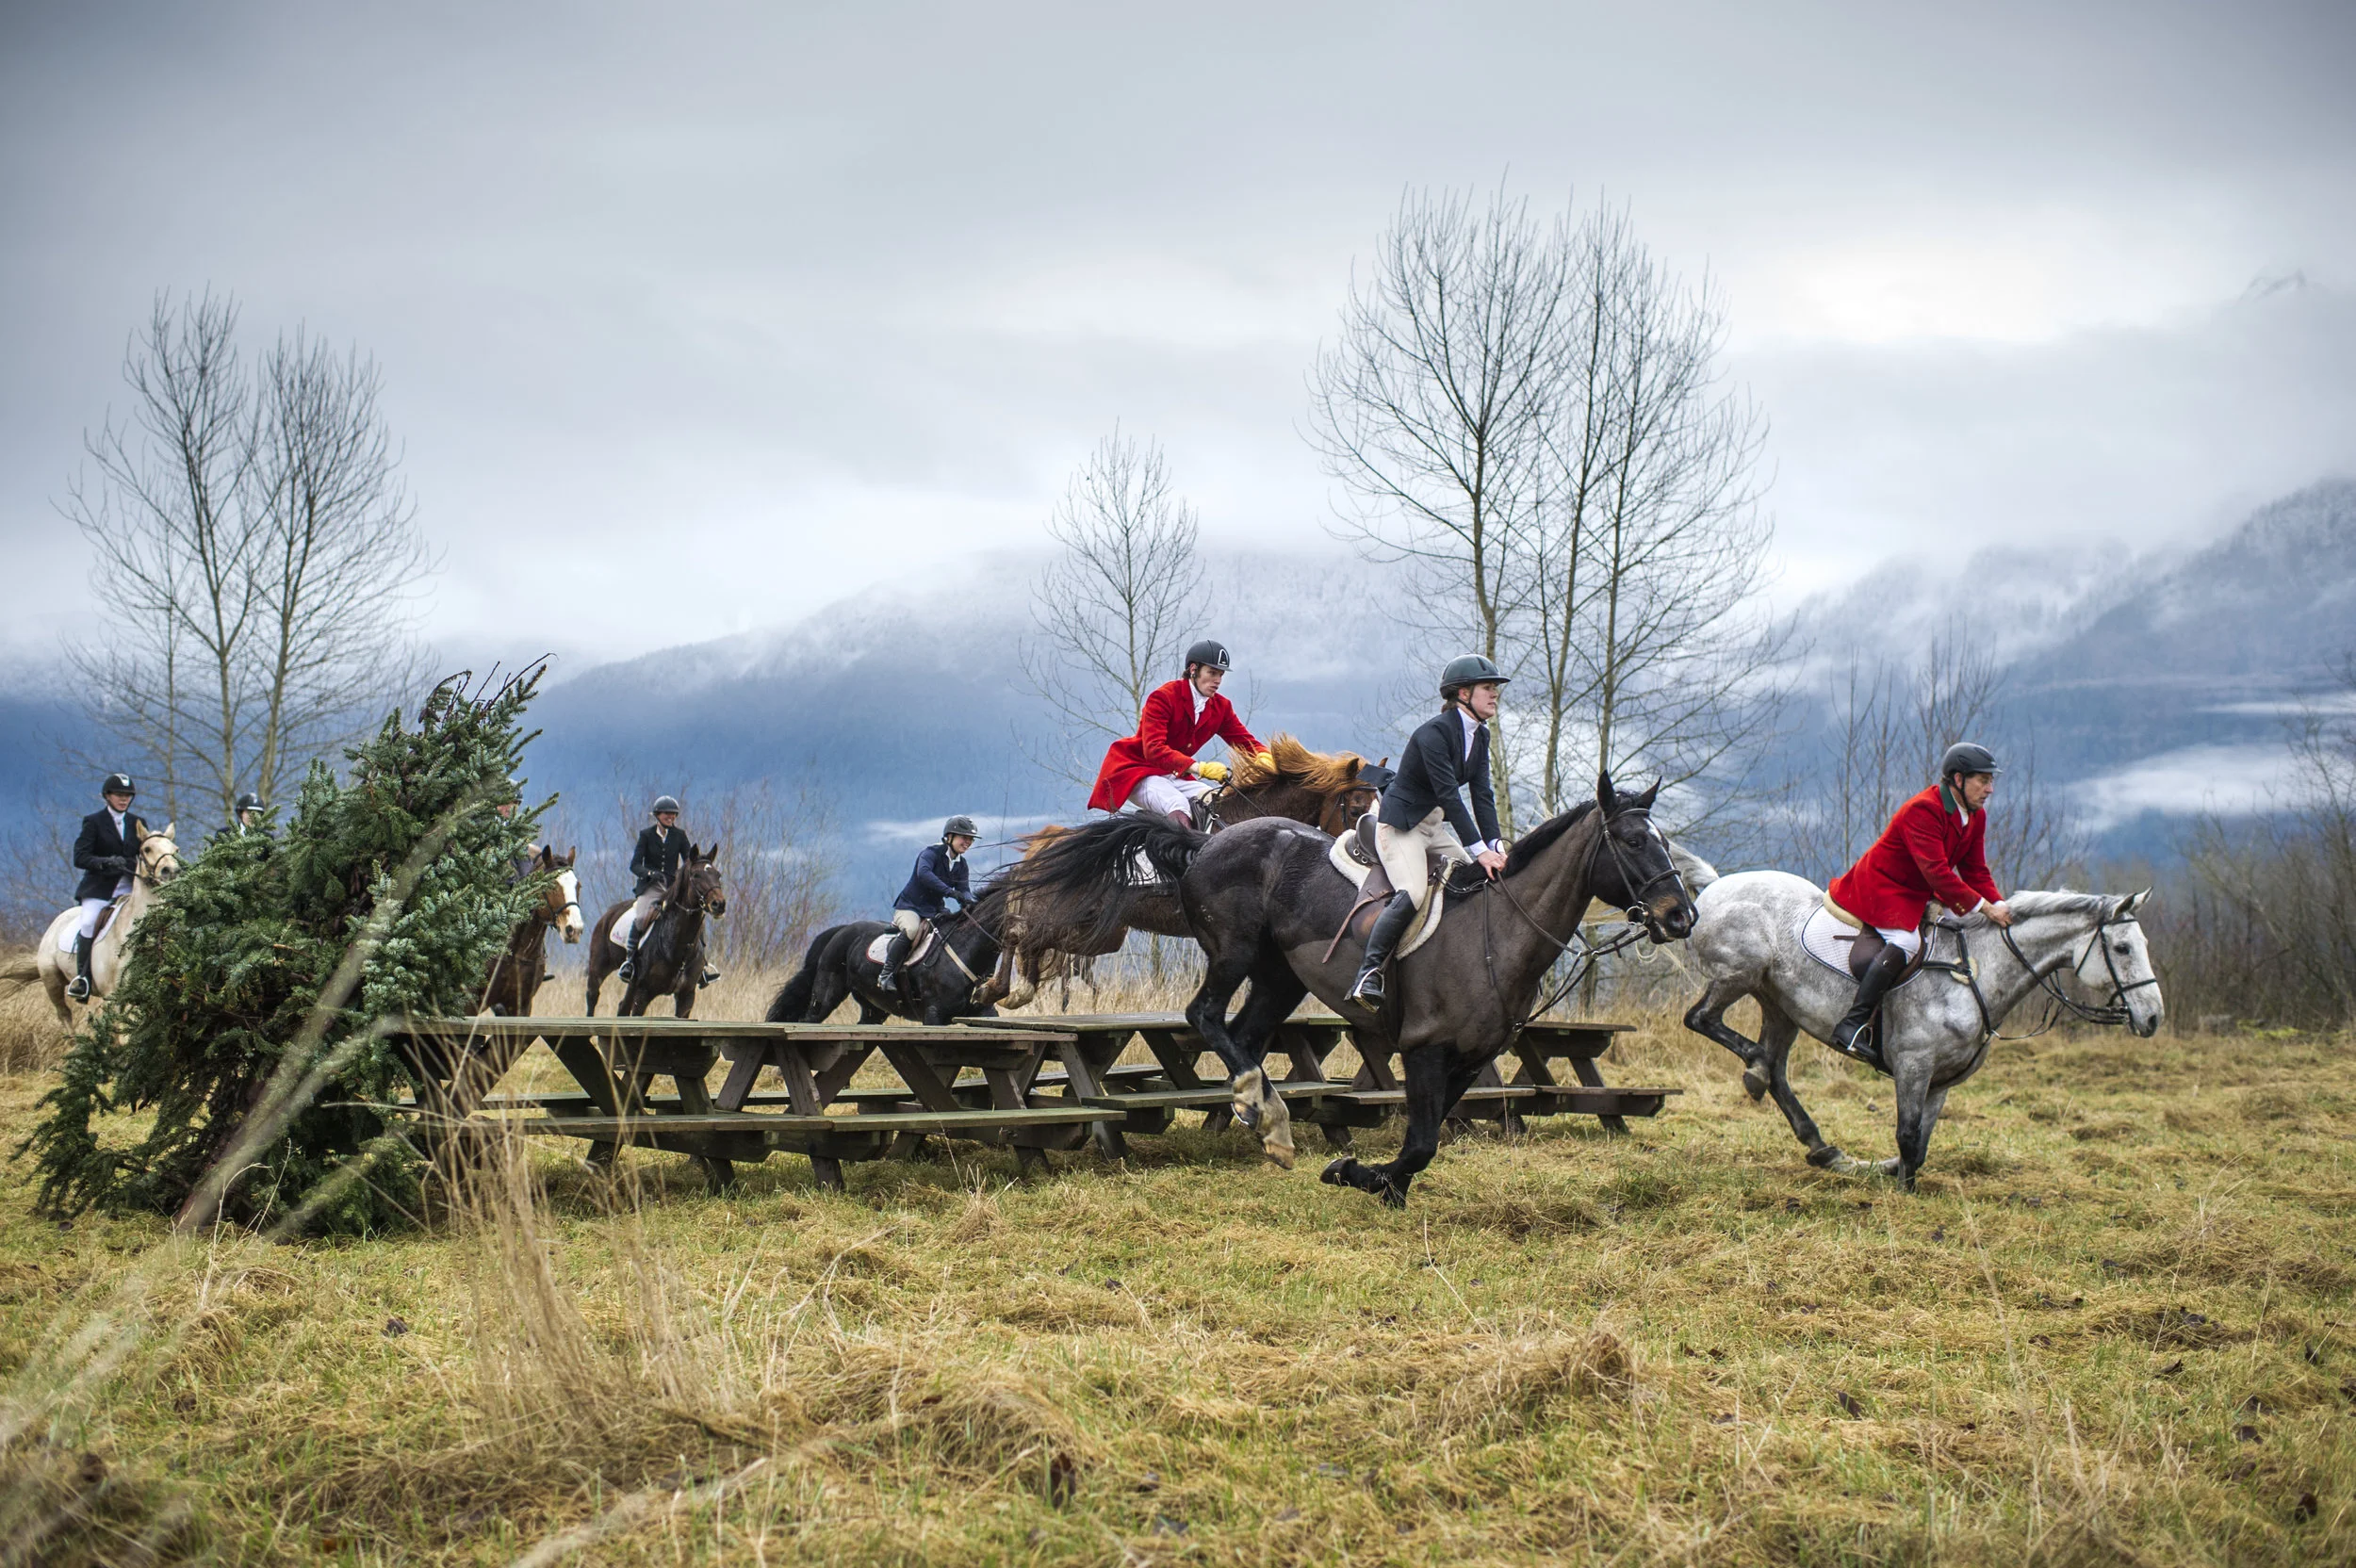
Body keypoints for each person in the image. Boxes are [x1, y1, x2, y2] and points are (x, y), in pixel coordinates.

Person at [1824, 742, 2012, 1057]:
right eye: (1983, 780)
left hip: (1916, 889)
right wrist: (1984, 908)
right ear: (1958, 779)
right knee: (1907, 941)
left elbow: (1976, 870)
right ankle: (1852, 1025)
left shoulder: (1975, 817)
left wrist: (2002, 905)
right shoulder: (1923, 809)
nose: (1990, 789)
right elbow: (1937, 872)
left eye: (1991, 781)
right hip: (1882, 886)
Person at [1348, 656, 1511, 1005]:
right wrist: (1478, 847)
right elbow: (1451, 794)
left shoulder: (1480, 735)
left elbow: (1482, 794)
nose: (1495, 695)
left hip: (1433, 827)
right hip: (1401, 827)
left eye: (1495, 689)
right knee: (1414, 892)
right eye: (1488, 688)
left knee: (1474, 878)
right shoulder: (1433, 733)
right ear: (1463, 693)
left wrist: (1495, 845)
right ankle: (1369, 974)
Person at [1086, 640, 1267, 825]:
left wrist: (1268, 758)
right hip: (1139, 772)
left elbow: (1247, 743)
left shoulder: (1221, 707)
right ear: (1193, 669)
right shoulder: (1163, 697)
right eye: (1212, 673)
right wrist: (1200, 768)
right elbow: (1153, 750)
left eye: (1220, 675)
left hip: (1173, 775)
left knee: (1214, 801)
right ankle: (1182, 854)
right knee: (1178, 804)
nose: (1218, 681)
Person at [616, 793, 717, 986]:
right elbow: (635, 865)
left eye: (673, 814)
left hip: (672, 887)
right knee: (641, 916)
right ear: (657, 815)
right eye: (667, 814)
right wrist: (649, 874)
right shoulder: (646, 835)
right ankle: (629, 962)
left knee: (695, 918)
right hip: (651, 887)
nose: (671, 817)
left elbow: (690, 861)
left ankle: (702, 966)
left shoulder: (680, 836)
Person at [68, 773, 149, 1001]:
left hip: (130, 889)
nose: (124, 800)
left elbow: (146, 854)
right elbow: (80, 857)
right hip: (100, 888)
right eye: (119, 795)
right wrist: (105, 862)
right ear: (107, 796)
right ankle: (83, 978)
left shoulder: (137, 823)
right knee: (88, 922)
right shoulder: (93, 822)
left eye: (128, 796)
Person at [879, 814, 980, 995]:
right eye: (964, 838)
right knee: (911, 930)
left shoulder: (961, 864)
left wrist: (969, 902)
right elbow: (924, 875)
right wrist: (950, 892)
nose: (968, 842)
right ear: (949, 837)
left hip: (934, 910)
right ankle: (886, 974)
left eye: (971, 839)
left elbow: (964, 888)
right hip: (910, 907)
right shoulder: (930, 854)